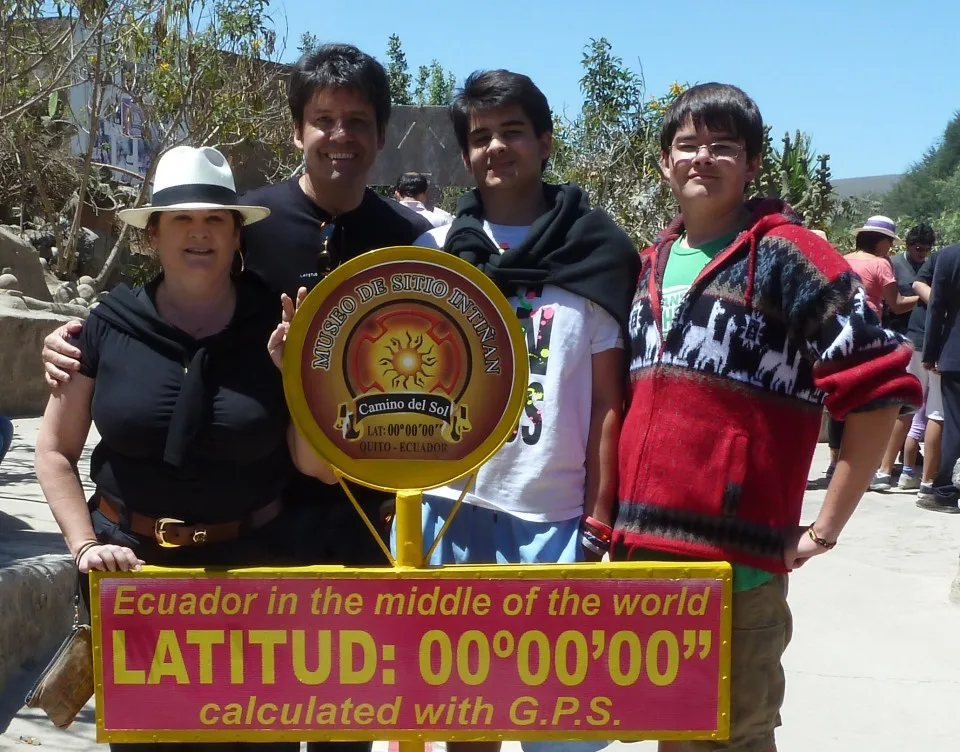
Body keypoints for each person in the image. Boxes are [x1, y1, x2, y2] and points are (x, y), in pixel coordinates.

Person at [613, 83, 921, 752]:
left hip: (737, 567)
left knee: (732, 735)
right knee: (671, 733)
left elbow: (878, 387)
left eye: (723, 146)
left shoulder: (790, 256)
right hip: (643, 557)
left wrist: (826, 528)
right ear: (665, 162)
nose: (703, 158)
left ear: (752, 164)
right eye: (688, 145)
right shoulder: (647, 265)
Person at [41, 42, 432, 568]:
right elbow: (59, 442)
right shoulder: (261, 220)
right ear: (298, 130)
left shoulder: (411, 243)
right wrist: (78, 341)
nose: (340, 135)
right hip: (268, 514)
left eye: (357, 120)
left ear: (382, 135)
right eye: (324, 119)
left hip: (350, 509)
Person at [34, 145, 334, 752]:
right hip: (136, 581)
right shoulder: (104, 328)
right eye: (181, 220)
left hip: (255, 587)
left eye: (215, 219)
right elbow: (54, 451)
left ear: (235, 236)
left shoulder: (277, 330)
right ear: (152, 235)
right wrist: (85, 546)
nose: (199, 233)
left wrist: (298, 375)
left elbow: (318, 468)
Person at [408, 69, 638, 752]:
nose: (496, 147)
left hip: (553, 519)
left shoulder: (598, 254)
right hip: (449, 509)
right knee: (461, 720)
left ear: (544, 140)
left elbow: (606, 403)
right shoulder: (438, 256)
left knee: (557, 729)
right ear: (466, 154)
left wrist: (599, 518)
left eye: (511, 131)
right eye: (480, 137)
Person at [825, 215, 918, 483]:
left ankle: (833, 462)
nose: (890, 248)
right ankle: (853, 467)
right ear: (880, 242)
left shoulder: (841, 259)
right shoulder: (881, 264)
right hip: (866, 338)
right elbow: (897, 303)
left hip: (835, 334)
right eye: (889, 242)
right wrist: (925, 297)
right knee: (863, 402)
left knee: (837, 399)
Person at [921, 242, 960, 513]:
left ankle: (944, 491)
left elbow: (936, 307)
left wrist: (930, 352)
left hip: (955, 353)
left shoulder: (949, 256)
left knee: (954, 424)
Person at [909, 244, 947, 505]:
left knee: (920, 410)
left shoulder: (944, 257)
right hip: (940, 349)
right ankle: (929, 481)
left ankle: (911, 475)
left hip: (932, 346)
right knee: (936, 413)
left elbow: (917, 285)